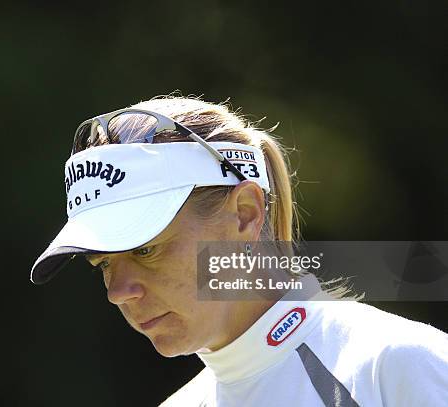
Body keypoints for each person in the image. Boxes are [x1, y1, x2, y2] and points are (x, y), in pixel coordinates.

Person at [30, 96, 448, 406]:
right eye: (102, 263)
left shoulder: (395, 365)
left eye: (145, 249)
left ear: (245, 214)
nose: (118, 291)